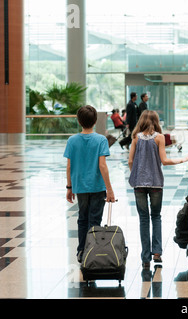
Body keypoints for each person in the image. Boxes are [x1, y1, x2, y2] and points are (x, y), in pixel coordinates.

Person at [128, 110, 188, 269]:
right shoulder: (159, 138)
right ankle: (157, 252)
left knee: (144, 219)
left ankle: (145, 257)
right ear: (156, 122)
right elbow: (165, 161)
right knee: (156, 217)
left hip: (139, 185)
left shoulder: (136, 138)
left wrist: (135, 175)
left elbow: (130, 160)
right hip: (156, 183)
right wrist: (184, 159)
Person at [64, 105, 116, 263]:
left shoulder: (72, 140)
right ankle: (91, 251)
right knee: (94, 221)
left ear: (79, 121)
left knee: (82, 219)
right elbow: (102, 166)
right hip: (98, 187)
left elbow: (69, 166)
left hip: (80, 187)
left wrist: (69, 187)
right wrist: (110, 189)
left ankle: (81, 251)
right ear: (95, 121)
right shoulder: (101, 140)